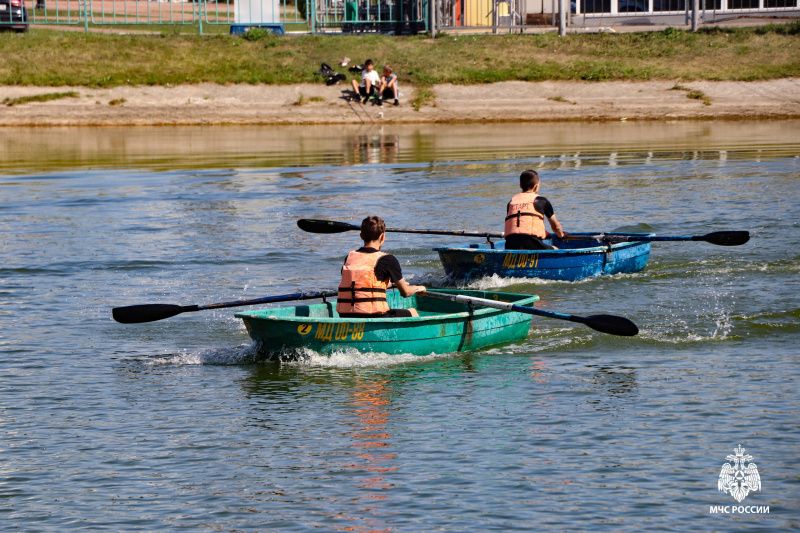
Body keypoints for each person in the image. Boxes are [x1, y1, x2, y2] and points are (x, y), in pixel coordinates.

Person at [337, 216, 426, 318]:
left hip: (345, 315)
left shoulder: (349, 257)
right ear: (382, 237)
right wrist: (419, 288)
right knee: (413, 312)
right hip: (374, 316)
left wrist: (390, 284)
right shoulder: (388, 259)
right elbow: (405, 292)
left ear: (361, 235)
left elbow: (359, 283)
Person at [504, 170, 566, 250]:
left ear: (520, 185)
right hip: (532, 244)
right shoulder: (542, 201)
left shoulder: (511, 202)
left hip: (510, 244)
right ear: (536, 186)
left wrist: (545, 233)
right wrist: (561, 235)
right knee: (556, 249)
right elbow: (556, 227)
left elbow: (520, 225)